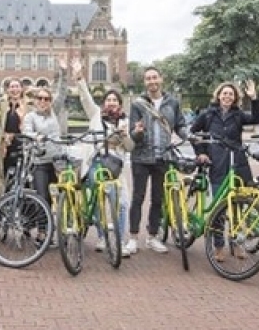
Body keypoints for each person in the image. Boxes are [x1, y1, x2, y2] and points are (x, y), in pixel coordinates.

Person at [189, 80, 259, 262]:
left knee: (237, 206)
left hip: (237, 163)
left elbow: (257, 118)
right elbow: (193, 133)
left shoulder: (238, 115)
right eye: (224, 93)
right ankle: (219, 246)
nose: (227, 97)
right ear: (218, 96)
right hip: (217, 164)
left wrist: (254, 98)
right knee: (219, 208)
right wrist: (202, 153)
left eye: (231, 94)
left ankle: (236, 243)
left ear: (235, 98)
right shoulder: (207, 115)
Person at [71, 57, 133, 258]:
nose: (111, 103)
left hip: (117, 166)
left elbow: (130, 147)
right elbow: (85, 97)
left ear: (120, 103)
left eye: (115, 100)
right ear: (104, 103)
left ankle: (119, 241)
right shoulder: (95, 114)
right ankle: (100, 235)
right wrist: (79, 76)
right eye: (108, 100)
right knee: (98, 198)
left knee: (122, 203)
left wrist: (125, 136)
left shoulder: (125, 121)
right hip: (97, 162)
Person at [126, 66, 188, 255]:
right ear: (144, 83)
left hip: (163, 156)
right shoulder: (137, 104)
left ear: (161, 79)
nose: (152, 81)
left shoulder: (172, 103)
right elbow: (132, 133)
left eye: (155, 77)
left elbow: (180, 125)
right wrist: (136, 132)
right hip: (141, 157)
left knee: (158, 199)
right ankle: (133, 238)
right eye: (148, 79)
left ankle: (153, 237)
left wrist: (187, 135)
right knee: (138, 198)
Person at [21, 55, 68, 207]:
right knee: (42, 197)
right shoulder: (30, 116)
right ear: (35, 100)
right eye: (40, 98)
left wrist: (63, 71)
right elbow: (26, 132)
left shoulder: (54, 110)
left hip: (58, 160)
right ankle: (43, 229)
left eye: (46, 99)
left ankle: (65, 224)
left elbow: (62, 92)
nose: (43, 101)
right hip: (40, 161)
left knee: (65, 193)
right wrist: (37, 137)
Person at [0, 77, 29, 198]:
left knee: (23, 175)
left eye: (17, 86)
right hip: (5, 144)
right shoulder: (3, 103)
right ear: (7, 90)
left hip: (22, 143)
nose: (14, 89)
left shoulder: (28, 104)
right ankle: (3, 201)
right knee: (3, 173)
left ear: (22, 89)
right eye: (12, 87)